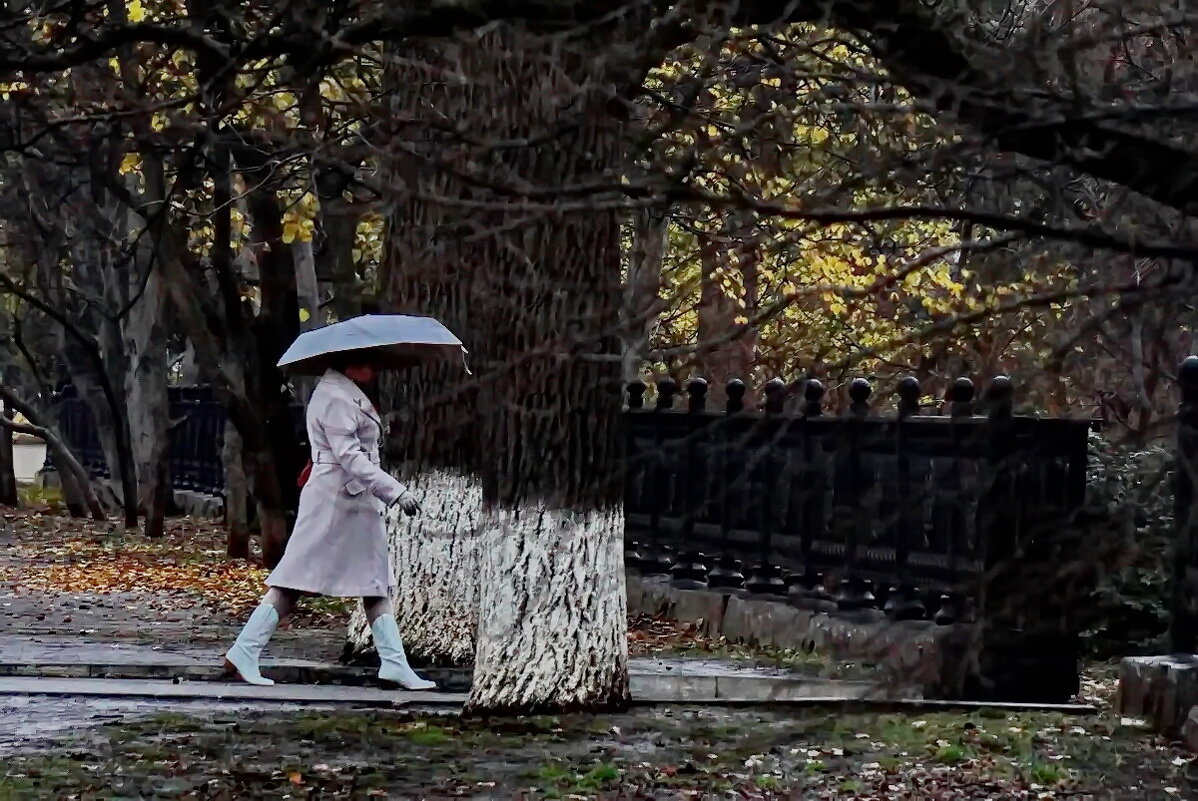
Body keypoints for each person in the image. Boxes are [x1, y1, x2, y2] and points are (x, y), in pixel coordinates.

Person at [223, 356, 436, 691]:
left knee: (374, 580)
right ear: (350, 364)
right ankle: (244, 652)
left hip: (353, 502)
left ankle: (395, 664)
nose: (374, 368)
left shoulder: (346, 392)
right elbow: (349, 456)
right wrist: (394, 492)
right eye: (368, 363)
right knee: (295, 578)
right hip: (333, 501)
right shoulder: (335, 396)